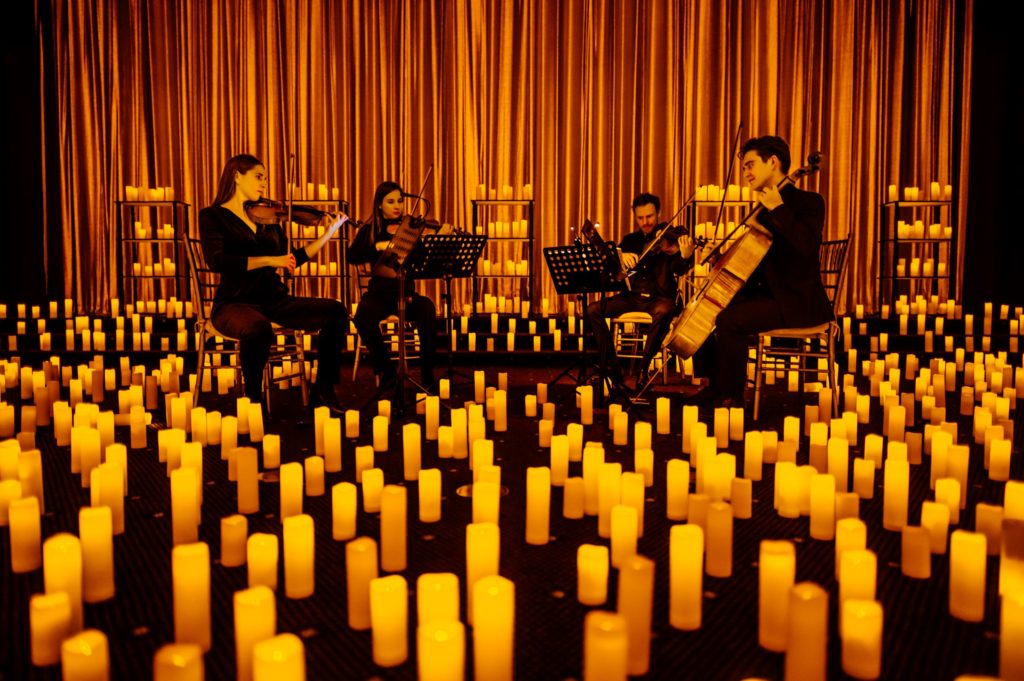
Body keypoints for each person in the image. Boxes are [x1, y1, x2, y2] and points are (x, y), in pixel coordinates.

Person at [198, 153, 349, 414]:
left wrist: (328, 234)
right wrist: (269, 259)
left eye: (265, 179)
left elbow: (292, 259)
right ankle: (253, 400)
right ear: (236, 176)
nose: (264, 184)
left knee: (336, 311)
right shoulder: (213, 216)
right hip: (235, 303)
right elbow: (217, 261)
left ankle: (323, 389)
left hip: (274, 300)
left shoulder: (268, 221)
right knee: (258, 328)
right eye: (259, 177)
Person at [705, 135, 833, 408]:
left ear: (773, 162)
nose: (746, 173)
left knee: (730, 320)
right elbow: (755, 261)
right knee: (710, 306)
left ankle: (730, 396)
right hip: (770, 295)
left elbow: (805, 245)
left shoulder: (810, 202)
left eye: (750, 165)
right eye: (744, 168)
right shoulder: (762, 210)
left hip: (798, 301)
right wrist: (720, 262)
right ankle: (714, 386)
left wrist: (779, 208)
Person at [586, 192, 695, 388]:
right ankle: (613, 367)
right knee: (593, 309)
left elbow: (679, 269)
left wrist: (685, 256)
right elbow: (615, 273)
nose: (645, 222)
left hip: (659, 298)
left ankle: (643, 369)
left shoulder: (670, 238)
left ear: (659, 213)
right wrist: (621, 257)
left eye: (650, 216)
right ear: (635, 217)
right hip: (632, 297)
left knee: (664, 310)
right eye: (640, 217)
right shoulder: (629, 240)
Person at [347, 181, 438, 390]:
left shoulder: (410, 228)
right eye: (390, 201)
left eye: (400, 200)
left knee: (427, 309)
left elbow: (423, 260)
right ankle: (387, 370)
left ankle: (427, 375)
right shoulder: (370, 230)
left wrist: (427, 242)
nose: (397, 205)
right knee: (362, 317)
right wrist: (376, 246)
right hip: (379, 295)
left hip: (405, 295)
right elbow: (351, 256)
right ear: (379, 204)